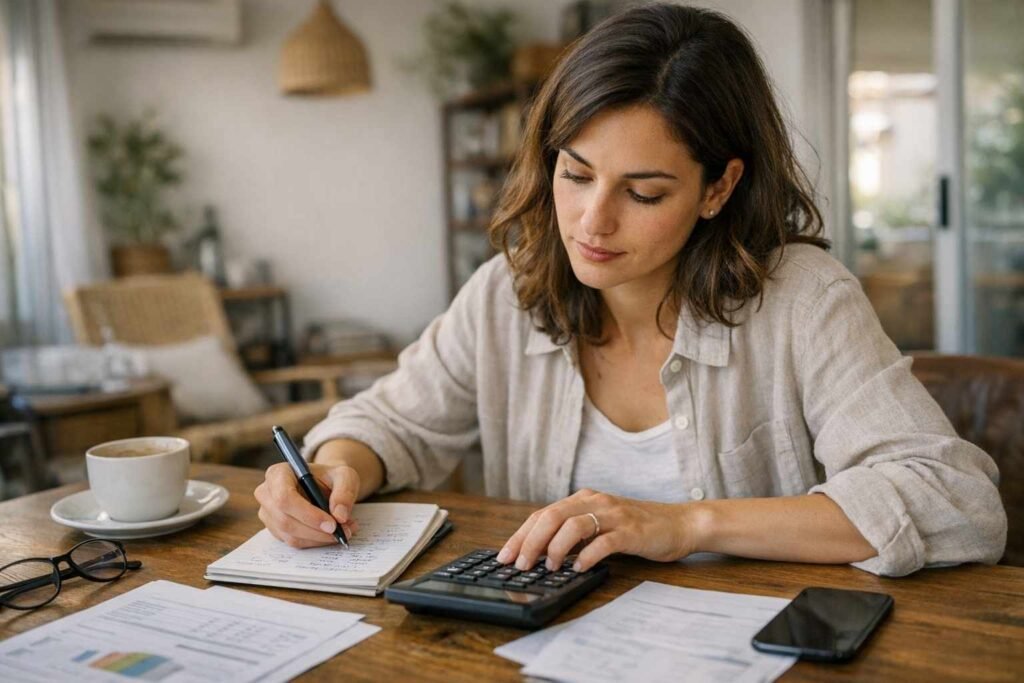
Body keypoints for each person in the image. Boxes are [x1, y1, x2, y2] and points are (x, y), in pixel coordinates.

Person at [255, 4, 1006, 578]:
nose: (591, 220)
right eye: (575, 174)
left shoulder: (803, 301)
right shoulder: (509, 294)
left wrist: (688, 524)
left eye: (643, 192)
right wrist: (336, 468)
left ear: (719, 187)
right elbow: (391, 423)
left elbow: (955, 500)